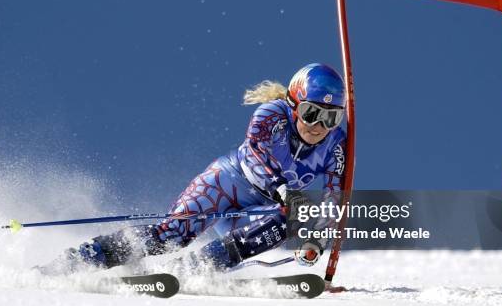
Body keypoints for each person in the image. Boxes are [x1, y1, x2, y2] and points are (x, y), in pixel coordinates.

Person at [39, 63, 347, 275]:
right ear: (294, 105)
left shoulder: (334, 146)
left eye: (331, 118)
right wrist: (283, 190)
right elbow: (258, 151)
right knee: (171, 236)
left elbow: (335, 198)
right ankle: (83, 258)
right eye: (311, 113)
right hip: (225, 183)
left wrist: (318, 239)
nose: (320, 126)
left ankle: (197, 268)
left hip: (261, 208)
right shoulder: (272, 115)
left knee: (292, 218)